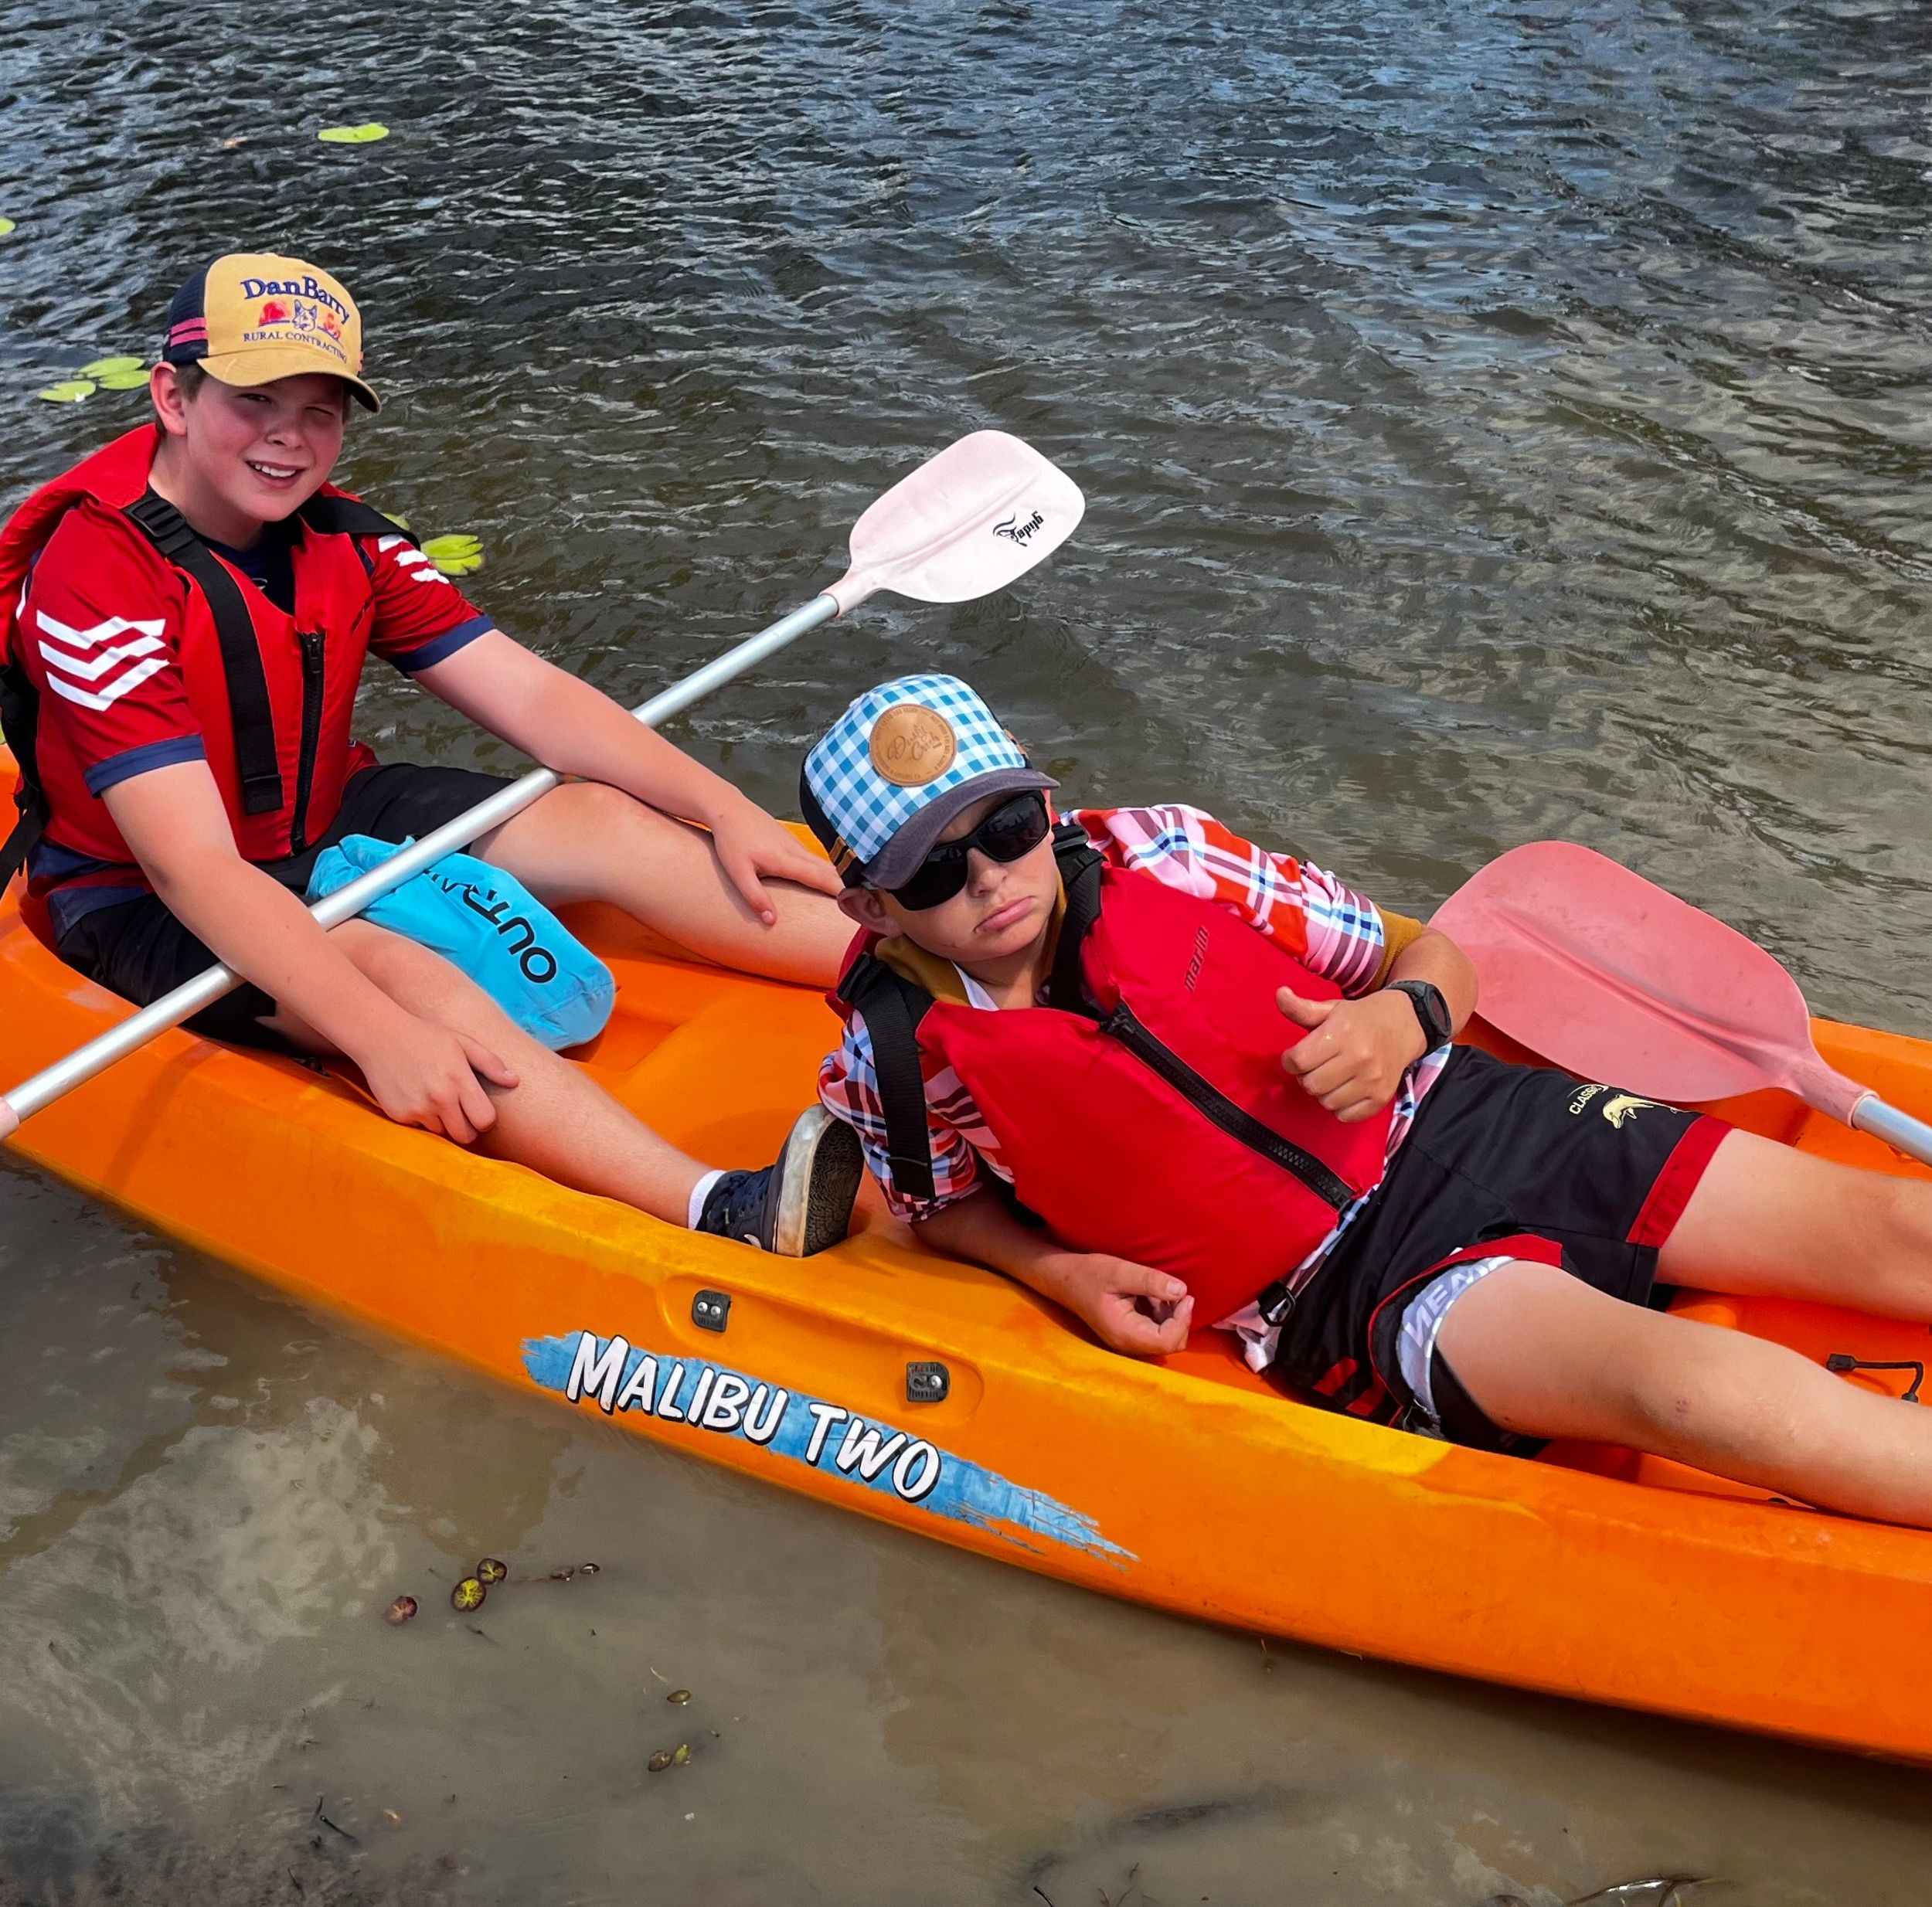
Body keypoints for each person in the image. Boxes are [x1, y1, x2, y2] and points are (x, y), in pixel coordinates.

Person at [804, 672, 1932, 1528]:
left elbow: (1431, 957)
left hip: (1466, 1114)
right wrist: (1063, 1274)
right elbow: (941, 1208)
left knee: (1897, 1227)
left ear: (1043, 803)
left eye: (1006, 830)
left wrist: (1404, 1019)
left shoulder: (1171, 856)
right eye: (935, 871)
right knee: (1691, 1397)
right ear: (872, 910)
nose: (992, 878)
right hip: (1344, 1288)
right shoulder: (888, 1058)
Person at [0, 252, 862, 1256]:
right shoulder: (96, 578)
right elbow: (190, 866)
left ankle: (931, 963)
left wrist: (724, 808)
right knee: (392, 974)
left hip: (321, 814)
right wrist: (378, 1037)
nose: (288, 436)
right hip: (139, 896)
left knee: (604, 820)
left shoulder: (345, 537)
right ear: (172, 398)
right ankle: (723, 1208)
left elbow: (533, 697)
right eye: (254, 399)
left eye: (321, 410)